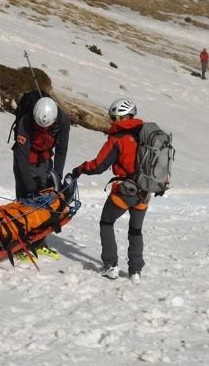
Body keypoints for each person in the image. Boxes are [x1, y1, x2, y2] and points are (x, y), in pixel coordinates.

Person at [70, 98, 150, 285]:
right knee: (136, 230)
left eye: (114, 117)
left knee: (106, 222)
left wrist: (80, 169)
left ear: (123, 117)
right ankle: (135, 271)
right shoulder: (145, 135)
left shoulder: (118, 139)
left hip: (125, 191)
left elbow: (99, 165)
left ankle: (111, 265)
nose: (112, 121)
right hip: (146, 191)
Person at [13, 96, 70, 260]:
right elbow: (22, 158)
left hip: (44, 160)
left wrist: (57, 177)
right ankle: (19, 244)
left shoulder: (62, 121)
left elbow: (61, 150)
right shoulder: (26, 121)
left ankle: (38, 241)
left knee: (45, 202)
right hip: (25, 159)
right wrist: (29, 188)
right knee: (25, 202)